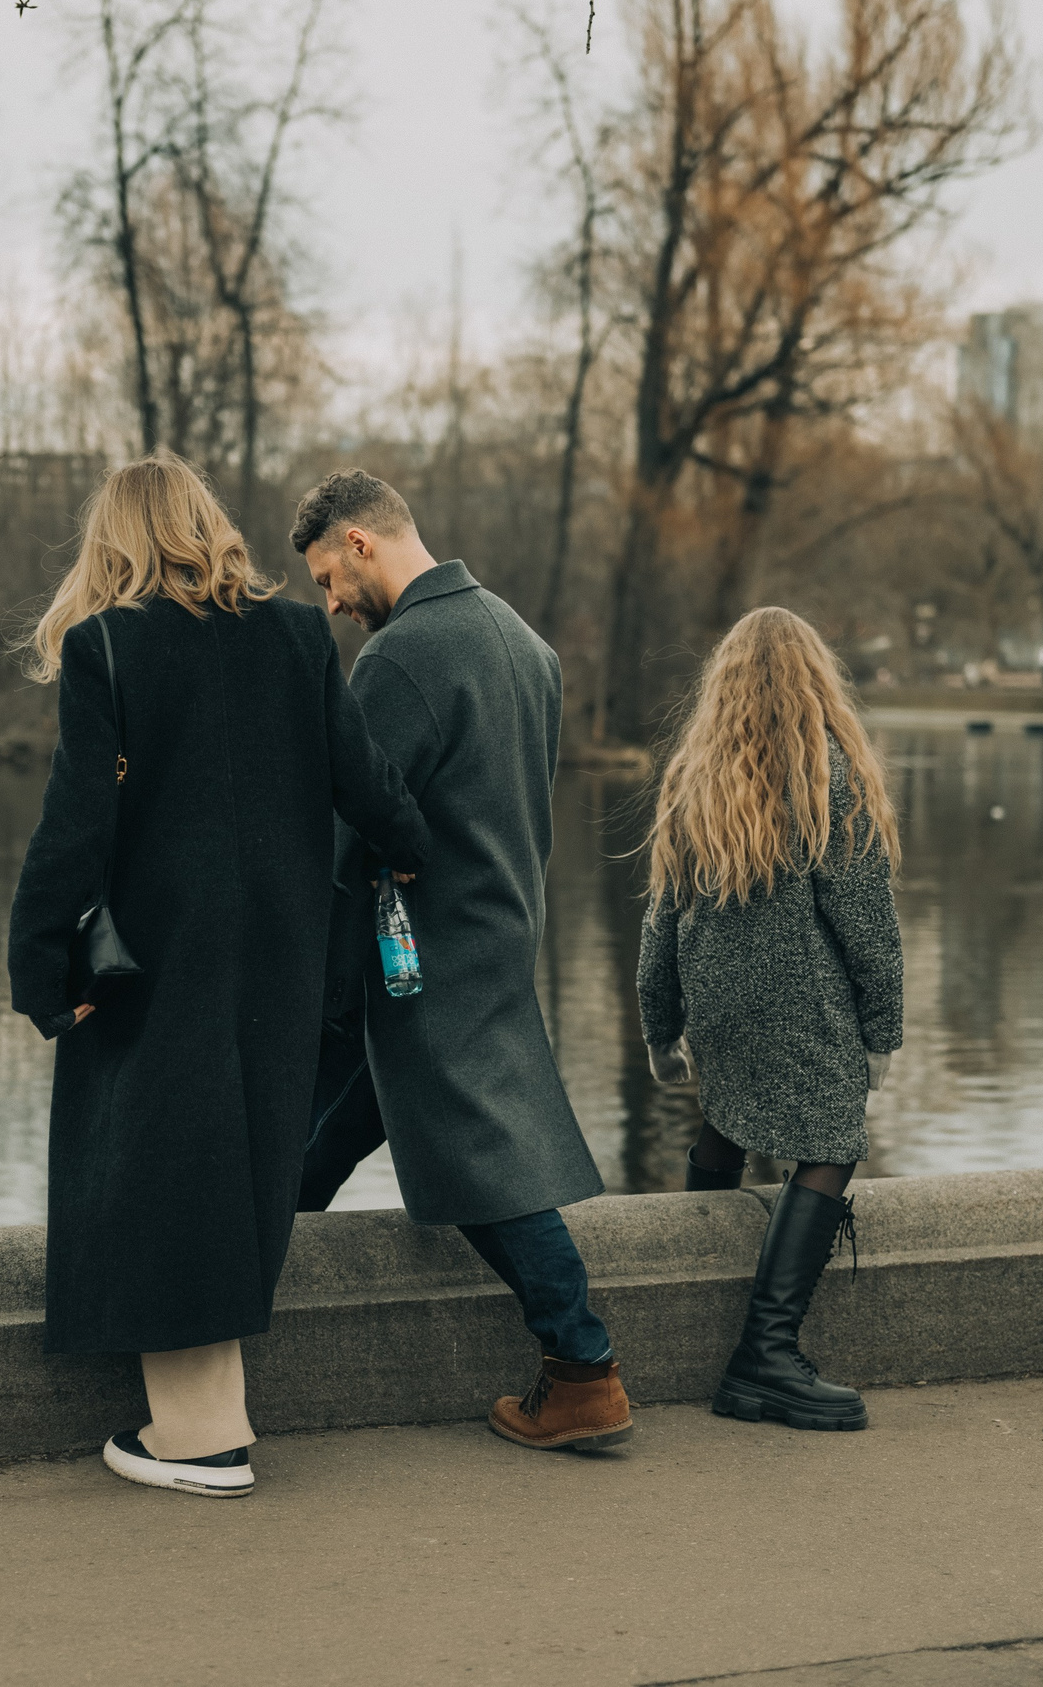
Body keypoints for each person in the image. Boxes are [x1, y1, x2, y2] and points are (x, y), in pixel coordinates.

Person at [6, 453, 429, 1501]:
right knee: (241, 1157)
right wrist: (412, 847)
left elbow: (75, 826)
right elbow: (361, 779)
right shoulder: (295, 633)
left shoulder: (107, 645)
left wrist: (37, 966)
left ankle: (200, 1440)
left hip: (160, 955)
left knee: (161, 1169)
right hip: (281, 954)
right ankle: (211, 1417)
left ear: (114, 537)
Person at [291, 469, 630, 1455]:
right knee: (321, 1133)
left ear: (359, 542)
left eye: (325, 577)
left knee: (486, 1167)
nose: (331, 604)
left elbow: (356, 820)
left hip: (415, 953)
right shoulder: (523, 640)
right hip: (496, 930)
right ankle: (243, 1304)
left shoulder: (400, 659)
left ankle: (584, 1368)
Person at [639, 607, 902, 1432]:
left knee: (726, 1122)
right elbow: (866, 920)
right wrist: (881, 1032)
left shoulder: (696, 771)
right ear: (812, 679)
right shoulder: (826, 770)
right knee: (829, 1142)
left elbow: (662, 920)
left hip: (719, 1006)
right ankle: (766, 1354)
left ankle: (689, 1304)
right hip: (798, 1001)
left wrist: (659, 1025)